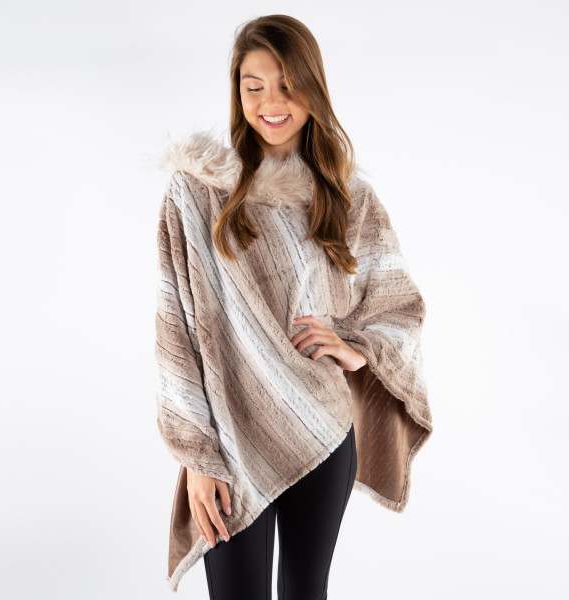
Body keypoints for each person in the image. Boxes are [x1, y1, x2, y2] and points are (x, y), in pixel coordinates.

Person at [154, 14, 433, 599]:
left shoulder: (348, 196)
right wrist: (197, 457)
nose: (271, 103)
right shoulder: (196, 191)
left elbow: (399, 304)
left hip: (322, 427)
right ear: (237, 93)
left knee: (306, 589)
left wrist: (355, 349)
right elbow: (176, 329)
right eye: (254, 86)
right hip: (228, 439)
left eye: (286, 85)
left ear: (313, 87)